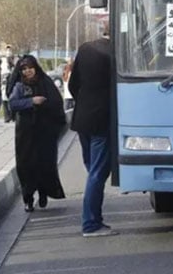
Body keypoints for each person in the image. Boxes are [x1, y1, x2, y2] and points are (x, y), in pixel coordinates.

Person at [68, 23, 117, 237]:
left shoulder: (85, 48)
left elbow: (72, 84)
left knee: (92, 170)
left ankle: (94, 217)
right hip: (102, 120)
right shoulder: (117, 54)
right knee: (97, 173)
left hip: (82, 119)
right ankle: (91, 223)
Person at [9, 55, 66, 212]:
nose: (28, 71)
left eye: (30, 68)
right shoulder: (20, 86)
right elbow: (13, 103)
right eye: (24, 69)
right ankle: (28, 198)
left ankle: (43, 192)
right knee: (26, 165)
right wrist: (31, 102)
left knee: (45, 164)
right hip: (25, 133)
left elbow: (56, 103)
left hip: (45, 132)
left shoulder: (46, 83)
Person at [0, 45, 14, 123]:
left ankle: (11, 115)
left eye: (10, 50)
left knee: (10, 97)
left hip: (11, 79)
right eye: (7, 49)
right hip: (4, 79)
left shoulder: (14, 60)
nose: (8, 51)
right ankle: (7, 116)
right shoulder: (3, 60)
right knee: (4, 98)